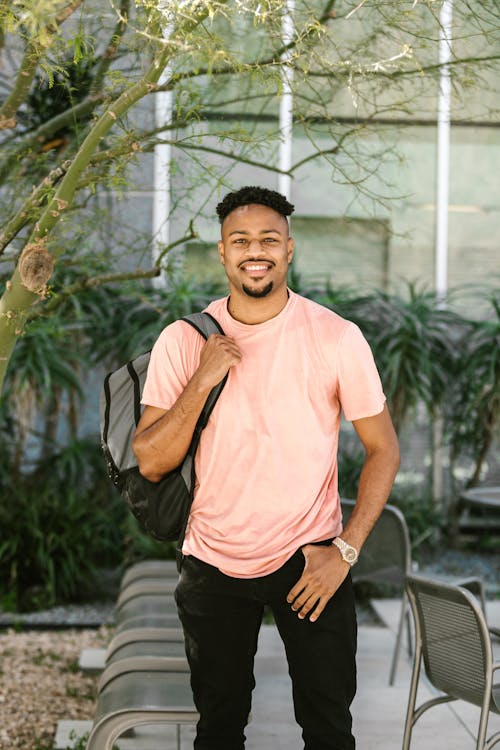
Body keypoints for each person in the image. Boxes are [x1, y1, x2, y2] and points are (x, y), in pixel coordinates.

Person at [133, 185, 400, 750]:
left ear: (289, 249)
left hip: (311, 562)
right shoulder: (183, 342)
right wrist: (204, 376)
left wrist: (344, 552)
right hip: (212, 562)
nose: (256, 251)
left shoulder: (335, 337)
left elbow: (384, 447)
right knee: (219, 730)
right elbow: (152, 460)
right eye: (241, 240)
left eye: (268, 239)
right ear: (223, 253)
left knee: (329, 730)